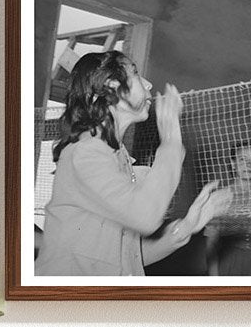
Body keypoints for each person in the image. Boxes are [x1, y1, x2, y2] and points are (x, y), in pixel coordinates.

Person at [35, 50, 228, 277]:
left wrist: (185, 228)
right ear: (112, 86)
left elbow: (129, 259)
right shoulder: (86, 153)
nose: (147, 84)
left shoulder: (120, 160)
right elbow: (145, 216)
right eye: (135, 73)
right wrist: (172, 142)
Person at [204, 144, 251, 276]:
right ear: (233, 164)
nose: (249, 165)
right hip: (226, 263)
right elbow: (211, 241)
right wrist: (213, 279)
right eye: (242, 159)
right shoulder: (220, 197)